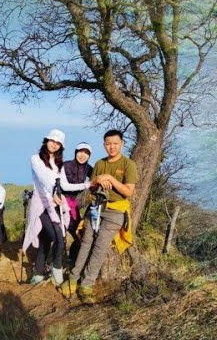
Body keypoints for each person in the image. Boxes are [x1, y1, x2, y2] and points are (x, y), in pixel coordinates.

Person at [65, 129, 138, 304]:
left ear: (122, 144)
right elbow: (91, 187)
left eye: (115, 143)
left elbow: (128, 191)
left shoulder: (128, 164)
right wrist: (99, 180)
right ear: (104, 145)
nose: (112, 147)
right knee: (86, 242)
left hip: (115, 212)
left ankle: (87, 285)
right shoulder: (99, 163)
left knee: (100, 247)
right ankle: (73, 279)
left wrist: (110, 179)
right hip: (96, 207)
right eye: (108, 144)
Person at [21, 129, 88, 287]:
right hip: (41, 204)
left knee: (46, 239)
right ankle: (56, 268)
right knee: (58, 237)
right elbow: (43, 177)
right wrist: (54, 192)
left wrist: (87, 184)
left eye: (58, 143)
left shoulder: (59, 165)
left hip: (56, 204)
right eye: (53, 141)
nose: (55, 144)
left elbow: (64, 185)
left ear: (61, 147)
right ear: (46, 141)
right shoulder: (35, 158)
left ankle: (38, 272)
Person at [63, 142, 93, 255]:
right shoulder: (65, 165)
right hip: (61, 202)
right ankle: (54, 260)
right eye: (80, 151)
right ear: (76, 152)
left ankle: (72, 257)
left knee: (78, 232)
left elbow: (97, 176)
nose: (82, 155)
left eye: (86, 153)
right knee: (59, 233)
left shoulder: (88, 168)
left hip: (74, 203)